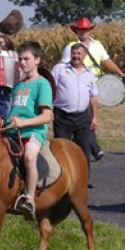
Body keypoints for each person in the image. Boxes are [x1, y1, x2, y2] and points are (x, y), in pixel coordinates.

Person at [60, 17, 125, 162]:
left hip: (95, 86)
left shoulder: (97, 45)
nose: (83, 32)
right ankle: (95, 149)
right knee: (87, 118)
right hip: (79, 85)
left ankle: (88, 147)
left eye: (86, 29)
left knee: (88, 118)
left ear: (90, 30)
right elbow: (64, 66)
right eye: (81, 30)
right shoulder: (71, 47)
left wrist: (121, 74)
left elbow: (107, 61)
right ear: (76, 31)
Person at [0, 41, 53, 216]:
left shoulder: (42, 84)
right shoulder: (17, 85)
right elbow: (14, 112)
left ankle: (29, 199)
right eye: (20, 59)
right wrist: (1, 121)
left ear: (37, 60)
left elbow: (47, 116)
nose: (22, 63)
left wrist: (24, 123)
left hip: (33, 132)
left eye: (26, 59)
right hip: (12, 131)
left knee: (29, 157)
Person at [52, 43, 98, 180]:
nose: (76, 56)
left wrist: (95, 117)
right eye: (73, 53)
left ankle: (83, 179)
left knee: (83, 150)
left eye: (79, 53)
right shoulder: (60, 69)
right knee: (62, 149)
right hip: (62, 116)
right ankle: (63, 179)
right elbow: (50, 89)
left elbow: (93, 97)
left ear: (84, 55)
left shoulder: (90, 73)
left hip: (83, 117)